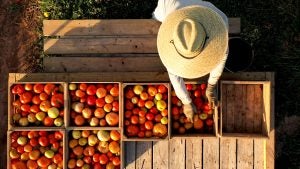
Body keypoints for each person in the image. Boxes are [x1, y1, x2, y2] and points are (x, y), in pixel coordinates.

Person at [153, 0, 229, 122]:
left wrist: (210, 87)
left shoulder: (221, 22)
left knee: (159, 16)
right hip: (173, 4)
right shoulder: (220, 20)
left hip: (177, 5)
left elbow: (222, 57)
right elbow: (174, 75)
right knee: (159, 15)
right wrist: (187, 101)